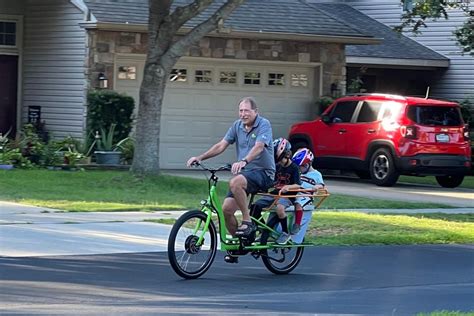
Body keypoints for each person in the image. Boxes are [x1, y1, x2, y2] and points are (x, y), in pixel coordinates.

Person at [186, 96, 275, 238]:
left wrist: (244, 161)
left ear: (255, 111)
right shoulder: (237, 125)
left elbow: (259, 147)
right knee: (226, 211)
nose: (243, 114)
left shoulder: (264, 124)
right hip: (246, 175)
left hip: (263, 173)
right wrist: (200, 157)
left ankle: (247, 221)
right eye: (240, 111)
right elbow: (221, 145)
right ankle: (239, 243)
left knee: (235, 182)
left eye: (246, 111)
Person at [251, 137, 301, 244]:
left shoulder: (294, 168)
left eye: (281, 159)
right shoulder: (277, 166)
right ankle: (263, 229)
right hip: (275, 194)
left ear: (288, 155)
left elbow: (298, 185)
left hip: (287, 196)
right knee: (254, 207)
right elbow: (272, 182)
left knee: (279, 208)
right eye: (278, 160)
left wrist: (288, 187)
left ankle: (285, 232)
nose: (280, 163)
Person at [290, 147, 325, 241]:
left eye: (301, 166)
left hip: (306, 196)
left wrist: (315, 187)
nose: (299, 168)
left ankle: (297, 224)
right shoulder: (299, 173)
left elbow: (321, 185)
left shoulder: (316, 174)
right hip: (297, 193)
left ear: (308, 164)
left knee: (298, 204)